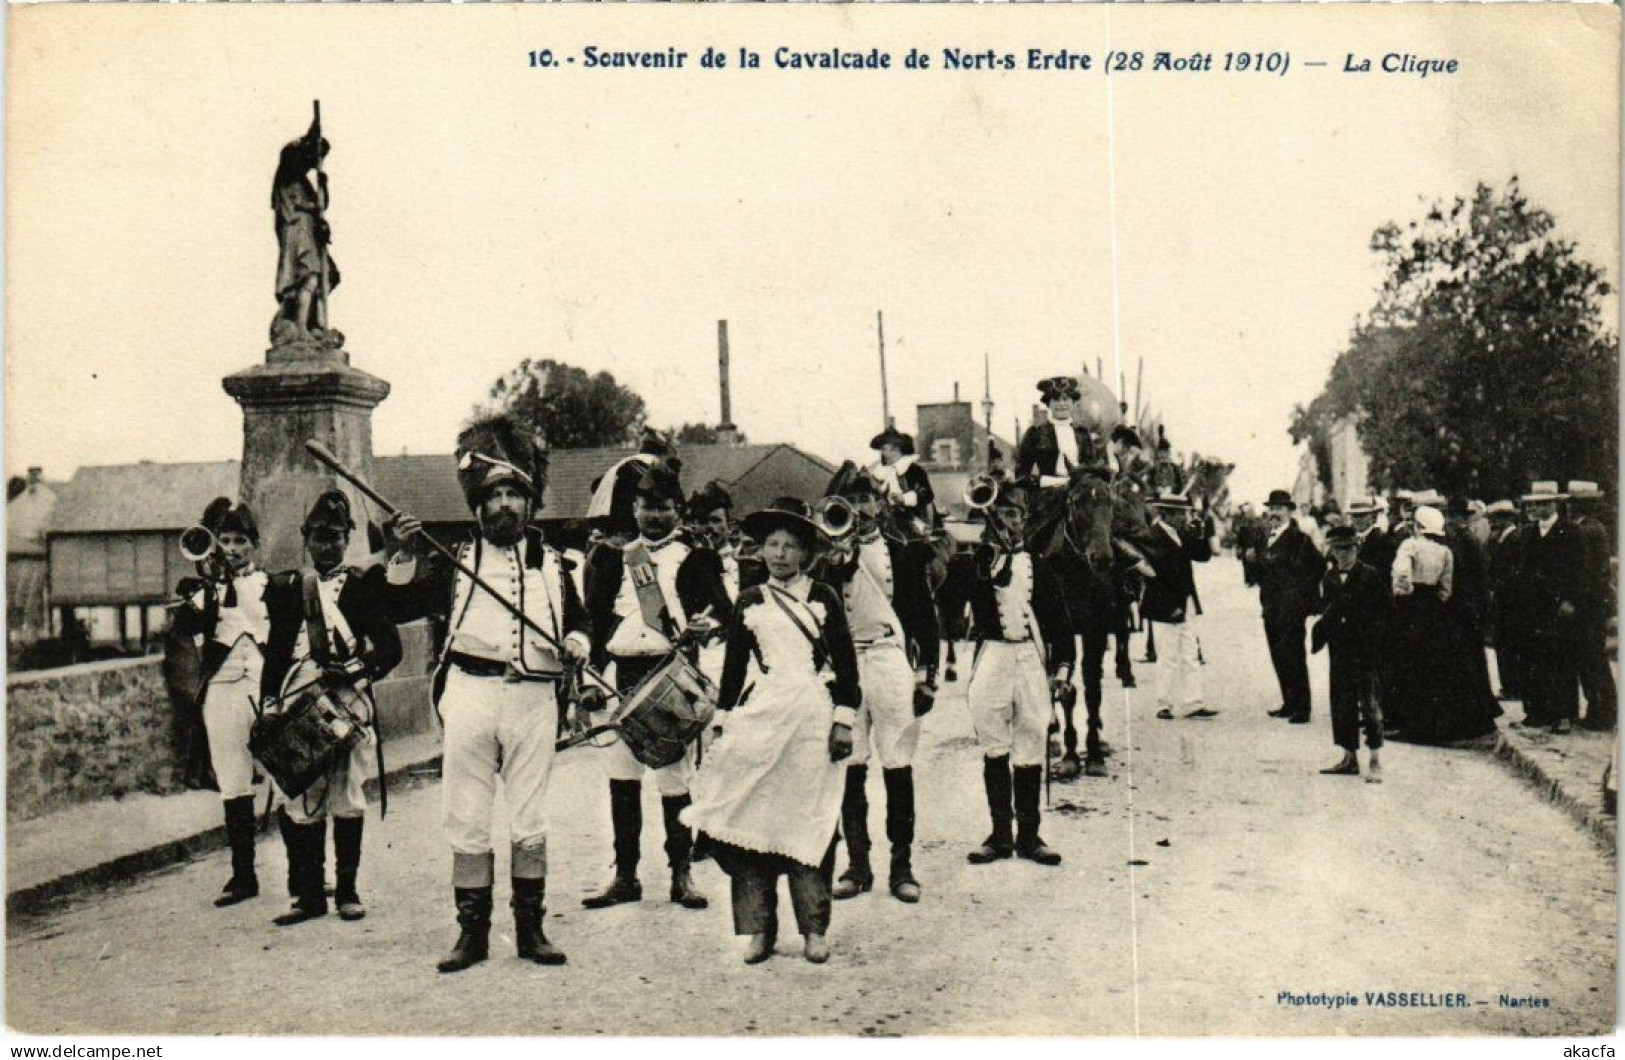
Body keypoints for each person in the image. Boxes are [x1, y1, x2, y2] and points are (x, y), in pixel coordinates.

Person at [386, 414, 589, 971]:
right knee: (468, 814)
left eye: (513, 495)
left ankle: (531, 931)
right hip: (471, 694)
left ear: (528, 503)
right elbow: (400, 605)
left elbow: (580, 619)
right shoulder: (452, 560)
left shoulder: (554, 562)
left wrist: (576, 640)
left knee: (529, 817)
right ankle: (471, 935)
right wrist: (400, 554)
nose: (504, 506)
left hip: (533, 699)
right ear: (477, 506)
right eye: (494, 496)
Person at [687, 498, 860, 965]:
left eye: (790, 546)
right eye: (771, 545)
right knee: (751, 820)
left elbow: (846, 665)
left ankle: (814, 928)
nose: (780, 554)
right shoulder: (749, 600)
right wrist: (722, 722)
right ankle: (759, 928)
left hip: (810, 718)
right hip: (763, 714)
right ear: (760, 551)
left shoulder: (823, 597)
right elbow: (733, 669)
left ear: (805, 553)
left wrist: (843, 720)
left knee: (810, 822)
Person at [581, 461, 733, 911]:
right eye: (647, 507)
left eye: (665, 508)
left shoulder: (696, 558)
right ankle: (625, 876)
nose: (655, 516)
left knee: (672, 780)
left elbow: (726, 611)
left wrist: (710, 623)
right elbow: (594, 619)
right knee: (622, 779)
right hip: (621, 676)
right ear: (634, 508)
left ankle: (681, 875)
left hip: (670, 675)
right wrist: (588, 677)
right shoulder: (614, 559)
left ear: (678, 511)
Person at [261, 491, 403, 927]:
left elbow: (391, 649)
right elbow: (278, 652)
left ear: (347, 539)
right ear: (306, 540)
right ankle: (307, 896)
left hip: (348, 703)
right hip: (300, 697)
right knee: (302, 794)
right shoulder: (288, 590)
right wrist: (269, 704)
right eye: (319, 537)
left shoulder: (364, 586)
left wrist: (357, 675)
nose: (327, 546)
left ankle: (346, 892)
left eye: (336, 537)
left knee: (345, 794)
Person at [818, 464, 939, 904]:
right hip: (847, 665)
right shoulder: (823, 558)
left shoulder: (903, 552)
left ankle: (902, 866)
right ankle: (858, 865)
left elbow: (925, 618)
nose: (862, 509)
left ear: (880, 503)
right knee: (850, 766)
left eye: (868, 499)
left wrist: (927, 677)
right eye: (853, 502)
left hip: (889, 659)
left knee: (897, 763)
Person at [167, 498, 270, 907]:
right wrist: (208, 584)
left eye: (240, 540)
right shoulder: (203, 591)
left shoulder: (271, 584)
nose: (232, 547)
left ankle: (307, 876)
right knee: (233, 780)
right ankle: (243, 876)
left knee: (290, 772)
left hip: (265, 684)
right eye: (224, 539)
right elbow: (185, 632)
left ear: (254, 545)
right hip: (224, 689)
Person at [961, 480, 1071, 865]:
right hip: (992, 655)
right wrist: (991, 559)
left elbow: (1059, 619)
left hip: (1028, 658)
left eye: (1015, 515)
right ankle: (999, 835)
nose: (1009, 521)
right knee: (995, 745)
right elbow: (970, 595)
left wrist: (1062, 667)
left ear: (1025, 520)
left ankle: (1030, 836)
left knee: (1029, 742)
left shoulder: (1038, 565)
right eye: (1003, 513)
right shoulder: (980, 561)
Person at [1387, 506, 1498, 743]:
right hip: (1434, 607)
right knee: (1432, 665)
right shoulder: (1445, 550)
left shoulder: (1410, 545)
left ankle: (1413, 724)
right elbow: (1447, 586)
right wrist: (1436, 600)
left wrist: (1401, 593)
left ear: (1418, 526)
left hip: (1412, 604)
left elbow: (1402, 573)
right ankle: (1432, 725)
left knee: (1410, 663)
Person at [1311, 526, 1389, 781]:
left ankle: (1375, 759)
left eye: (1349, 548)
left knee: (1370, 702)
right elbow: (1326, 608)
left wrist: (1374, 637)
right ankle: (1349, 757)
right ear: (1331, 551)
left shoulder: (1371, 576)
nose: (1344, 554)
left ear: (1357, 548)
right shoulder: (1329, 578)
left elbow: (1385, 612)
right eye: (1339, 549)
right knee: (1342, 700)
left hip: (1366, 648)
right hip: (1340, 648)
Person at [1242, 489, 1324, 724]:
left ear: (1290, 511)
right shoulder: (1264, 538)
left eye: (1279, 508)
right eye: (1272, 508)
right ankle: (1289, 703)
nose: (1274, 513)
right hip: (1270, 605)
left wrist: (1301, 596)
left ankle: (1302, 708)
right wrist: (1251, 560)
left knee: (1294, 655)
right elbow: (1258, 575)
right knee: (1278, 654)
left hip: (1291, 608)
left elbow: (1318, 567)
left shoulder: (1300, 539)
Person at [1516, 482, 1584, 734]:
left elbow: (1577, 571)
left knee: (1560, 657)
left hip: (1557, 605)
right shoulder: (1527, 533)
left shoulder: (1570, 532)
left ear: (1555, 504)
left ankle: (1563, 714)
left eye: (1543, 503)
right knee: (1533, 657)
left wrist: (1569, 599)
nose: (1537, 508)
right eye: (1534, 503)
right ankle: (1537, 712)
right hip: (1531, 605)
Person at [1141, 492, 1215, 721]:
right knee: (1168, 656)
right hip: (1164, 604)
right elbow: (1156, 576)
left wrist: (1200, 534)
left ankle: (1194, 702)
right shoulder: (1152, 536)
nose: (1185, 517)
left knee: (1190, 653)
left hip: (1186, 601)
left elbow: (1203, 556)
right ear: (1167, 515)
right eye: (1181, 513)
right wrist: (1171, 606)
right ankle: (1163, 704)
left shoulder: (1183, 533)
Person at [271, 117, 340, 346]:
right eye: (311, 158)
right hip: (298, 233)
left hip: (309, 233)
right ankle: (301, 328)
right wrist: (311, 139)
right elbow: (304, 206)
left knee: (328, 276)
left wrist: (323, 185)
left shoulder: (304, 182)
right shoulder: (287, 176)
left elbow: (320, 206)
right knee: (307, 277)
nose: (312, 163)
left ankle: (315, 323)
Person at [1566, 481, 1616, 731]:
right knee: (1591, 657)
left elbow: (1584, 572)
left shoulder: (1587, 531)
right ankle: (1601, 710)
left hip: (1589, 606)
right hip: (1594, 603)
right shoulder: (1594, 528)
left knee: (1591, 658)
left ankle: (1603, 712)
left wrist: (1576, 601)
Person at [1484, 500, 1527, 701]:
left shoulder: (1515, 538)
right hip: (1501, 597)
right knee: (1502, 641)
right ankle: (1508, 684)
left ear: (1509, 518)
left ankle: (1514, 686)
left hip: (1511, 598)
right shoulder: (1499, 539)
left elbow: (1514, 570)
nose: (1496, 521)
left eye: (1500, 517)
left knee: (1511, 641)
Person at [869, 426, 936, 534]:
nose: (882, 452)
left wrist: (904, 499)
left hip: (913, 523)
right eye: (882, 449)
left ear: (896, 448)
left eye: (884, 448)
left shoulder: (914, 470)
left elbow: (927, 495)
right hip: (884, 523)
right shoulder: (879, 473)